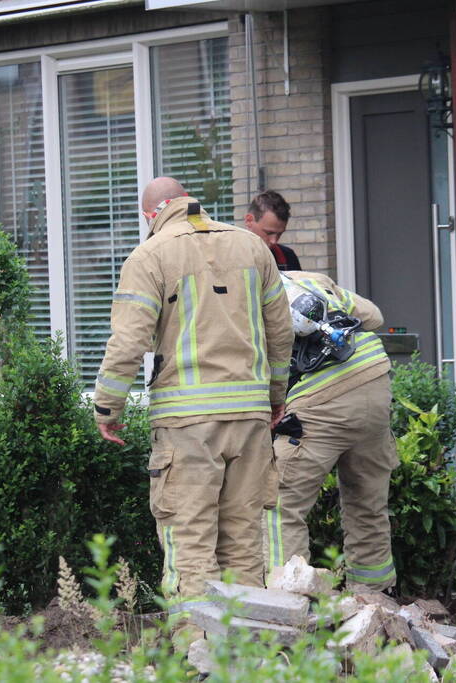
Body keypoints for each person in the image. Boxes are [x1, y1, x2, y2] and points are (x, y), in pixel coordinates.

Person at [94, 176, 294, 613]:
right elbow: (281, 330)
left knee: (191, 542)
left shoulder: (149, 255)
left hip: (186, 427)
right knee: (244, 544)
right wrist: (276, 395)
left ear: (151, 214)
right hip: (250, 417)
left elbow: (128, 342)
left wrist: (108, 407)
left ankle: (197, 655)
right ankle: (247, 655)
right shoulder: (252, 247)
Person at [265, 270, 399, 593]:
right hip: (375, 384)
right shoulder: (312, 280)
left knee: (279, 503)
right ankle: (376, 599)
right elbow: (375, 317)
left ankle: (290, 605)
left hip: (321, 402)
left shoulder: (250, 296)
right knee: (367, 502)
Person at [244, 190, 301, 271]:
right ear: (249, 220)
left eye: (279, 234)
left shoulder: (288, 257)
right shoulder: (227, 256)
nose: (274, 241)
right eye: (269, 233)